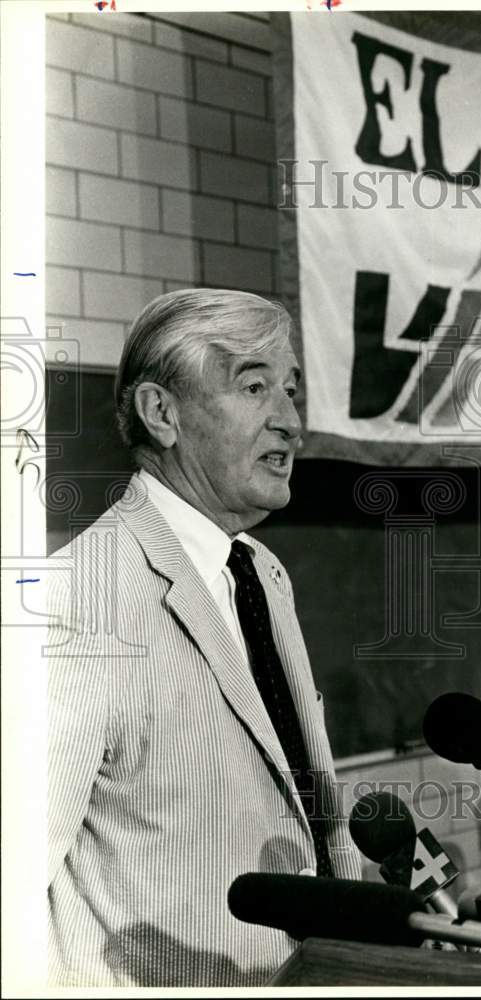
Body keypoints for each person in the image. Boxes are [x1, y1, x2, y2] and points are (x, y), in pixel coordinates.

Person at [46, 288, 361, 987]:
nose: (289, 422)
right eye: (254, 387)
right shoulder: (73, 601)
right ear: (163, 414)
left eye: (290, 390)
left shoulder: (259, 573)